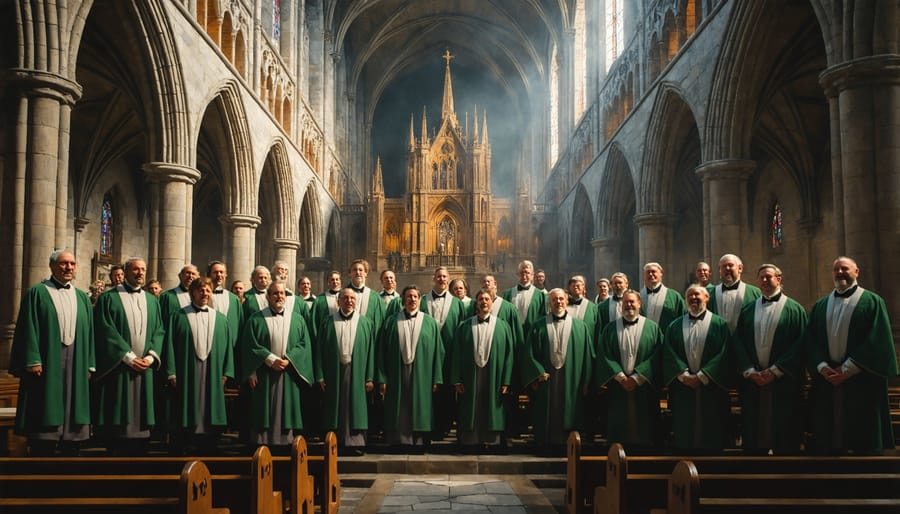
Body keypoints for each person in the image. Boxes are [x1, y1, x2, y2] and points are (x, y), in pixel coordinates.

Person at [806, 256, 898, 453]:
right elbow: (810, 340)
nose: (840, 273)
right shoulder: (820, 305)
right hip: (828, 379)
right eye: (836, 269)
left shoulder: (872, 301)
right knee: (828, 443)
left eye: (845, 269)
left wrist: (848, 369)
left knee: (863, 442)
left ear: (857, 272)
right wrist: (822, 367)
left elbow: (878, 339)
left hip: (861, 379)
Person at [10, 250, 95, 456]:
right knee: (45, 401)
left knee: (73, 401)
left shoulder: (82, 297)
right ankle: (44, 444)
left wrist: (89, 363)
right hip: (47, 359)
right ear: (52, 266)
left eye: (72, 264)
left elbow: (91, 333)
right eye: (64, 263)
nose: (69, 268)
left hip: (77, 358)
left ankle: (71, 442)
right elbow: (27, 328)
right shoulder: (37, 292)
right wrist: (32, 359)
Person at [93, 257, 166, 455]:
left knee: (143, 421)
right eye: (135, 269)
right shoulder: (108, 298)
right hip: (120, 368)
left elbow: (159, 330)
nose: (140, 273)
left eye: (143, 269)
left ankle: (141, 453)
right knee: (118, 422)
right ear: (125, 272)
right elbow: (104, 330)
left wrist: (151, 357)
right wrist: (127, 357)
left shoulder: (152, 301)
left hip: (145, 367)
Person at [732, 264, 807, 453]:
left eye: (769, 277)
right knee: (754, 432)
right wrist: (749, 370)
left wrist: (776, 371)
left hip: (783, 382)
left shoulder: (795, 309)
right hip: (753, 381)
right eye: (761, 278)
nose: (764, 281)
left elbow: (801, 344)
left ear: (779, 279)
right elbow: (738, 342)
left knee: (784, 431)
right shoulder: (748, 310)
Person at [240, 281, 315, 449]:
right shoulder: (256, 319)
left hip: (289, 372)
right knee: (263, 409)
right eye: (275, 293)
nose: (279, 296)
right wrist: (269, 359)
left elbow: (304, 344)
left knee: (287, 409)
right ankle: (262, 442)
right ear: (268, 296)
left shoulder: (298, 319)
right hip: (264, 373)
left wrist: (290, 359)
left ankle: (286, 442)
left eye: (282, 293)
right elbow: (249, 345)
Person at [164, 277, 234, 453]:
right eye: (201, 290)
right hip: (188, 371)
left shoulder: (220, 319)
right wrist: (171, 372)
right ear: (192, 292)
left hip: (213, 371)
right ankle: (187, 442)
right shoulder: (178, 316)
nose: (205, 293)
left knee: (210, 407)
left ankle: (209, 442)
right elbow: (170, 346)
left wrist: (226, 372)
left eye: (208, 290)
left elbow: (228, 349)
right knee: (188, 408)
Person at [662, 284, 732, 450]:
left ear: (707, 298)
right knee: (685, 429)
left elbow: (724, 353)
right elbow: (669, 352)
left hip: (710, 386)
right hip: (683, 386)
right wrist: (683, 374)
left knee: (712, 428)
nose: (693, 298)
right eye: (690, 296)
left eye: (697, 295)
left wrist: (703, 375)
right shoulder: (674, 326)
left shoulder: (720, 325)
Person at [521, 289, 592, 451]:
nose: (558, 302)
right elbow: (529, 353)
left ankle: (570, 444)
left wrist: (586, 381)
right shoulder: (538, 325)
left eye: (561, 299)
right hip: (546, 379)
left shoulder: (580, 327)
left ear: (566, 301)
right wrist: (537, 372)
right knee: (546, 410)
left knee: (570, 409)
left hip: (572, 379)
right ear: (549, 303)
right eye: (554, 300)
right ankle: (545, 442)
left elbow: (588, 355)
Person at [377, 285, 444, 449]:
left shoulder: (430, 323)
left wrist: (437, 378)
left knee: (420, 405)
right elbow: (381, 351)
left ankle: (420, 441)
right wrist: (382, 377)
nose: (412, 299)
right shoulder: (391, 321)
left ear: (419, 300)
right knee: (399, 404)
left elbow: (438, 352)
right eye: (408, 296)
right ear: (402, 299)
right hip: (396, 372)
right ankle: (398, 440)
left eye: (415, 296)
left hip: (423, 372)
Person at [596, 290, 663, 448]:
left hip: (643, 386)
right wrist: (620, 377)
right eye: (626, 302)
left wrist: (638, 377)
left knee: (645, 425)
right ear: (621, 305)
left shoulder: (652, 328)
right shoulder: (610, 329)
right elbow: (604, 354)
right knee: (618, 425)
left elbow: (657, 354)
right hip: (618, 386)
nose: (629, 305)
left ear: (639, 304)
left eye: (632, 302)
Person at [451, 289, 515, 450]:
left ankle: (491, 440)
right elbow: (456, 354)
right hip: (470, 375)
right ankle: (470, 440)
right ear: (476, 303)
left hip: (494, 375)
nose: (484, 302)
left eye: (487, 299)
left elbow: (509, 355)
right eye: (480, 299)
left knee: (491, 406)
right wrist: (457, 379)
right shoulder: (464, 326)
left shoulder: (503, 326)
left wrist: (506, 380)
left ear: (492, 303)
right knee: (472, 406)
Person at [315, 288, 375, 454]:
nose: (349, 301)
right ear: (338, 301)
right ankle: (335, 443)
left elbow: (371, 352)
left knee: (356, 407)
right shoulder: (327, 322)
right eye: (345, 298)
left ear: (355, 302)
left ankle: (356, 443)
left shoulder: (366, 323)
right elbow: (319, 351)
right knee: (335, 407)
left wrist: (369, 377)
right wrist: (319, 375)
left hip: (358, 371)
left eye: (352, 298)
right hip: (334, 371)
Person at [420, 266, 465, 439]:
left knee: (447, 393)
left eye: (445, 277)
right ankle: (428, 426)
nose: (442, 279)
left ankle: (445, 426)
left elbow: (461, 331)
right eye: (439, 276)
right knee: (428, 391)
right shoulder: (423, 301)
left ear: (448, 279)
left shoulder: (457, 304)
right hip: (428, 357)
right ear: (434, 279)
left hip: (449, 357)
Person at [708, 254, 761, 333]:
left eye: (730, 265)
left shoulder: (755, 293)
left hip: (744, 342)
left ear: (740, 268)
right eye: (724, 266)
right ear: (719, 270)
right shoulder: (709, 293)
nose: (727, 268)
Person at [207, 261, 243, 352]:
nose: (219, 275)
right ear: (209, 274)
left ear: (226, 275)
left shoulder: (233, 299)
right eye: (215, 272)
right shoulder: (202, 296)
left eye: (221, 272)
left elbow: (240, 324)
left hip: (229, 346)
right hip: (208, 343)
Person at [639, 262, 686, 332]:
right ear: (644, 275)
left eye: (653, 271)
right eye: (648, 272)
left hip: (667, 338)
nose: (651, 274)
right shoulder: (638, 296)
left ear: (661, 273)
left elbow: (683, 317)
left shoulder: (674, 296)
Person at [503, 260, 547, 332]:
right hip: (512, 332)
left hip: (532, 334)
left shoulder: (540, 295)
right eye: (522, 272)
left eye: (527, 272)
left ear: (532, 275)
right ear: (517, 275)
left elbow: (543, 317)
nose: (524, 275)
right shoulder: (508, 294)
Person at [346, 259, 386, 332]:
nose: (358, 272)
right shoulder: (341, 295)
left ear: (366, 273)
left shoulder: (376, 298)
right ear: (350, 273)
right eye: (355, 270)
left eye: (360, 270)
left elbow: (379, 324)